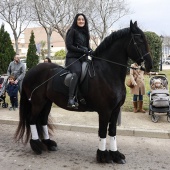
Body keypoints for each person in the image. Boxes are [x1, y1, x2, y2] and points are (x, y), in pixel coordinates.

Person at [65, 13, 92, 109]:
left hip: (83, 59)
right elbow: (69, 46)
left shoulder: (86, 33)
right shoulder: (72, 31)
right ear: (76, 21)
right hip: (72, 58)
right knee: (77, 71)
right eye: (79, 19)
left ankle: (83, 95)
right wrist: (82, 50)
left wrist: (90, 50)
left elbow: (87, 47)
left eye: (83, 20)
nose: (81, 21)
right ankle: (71, 99)